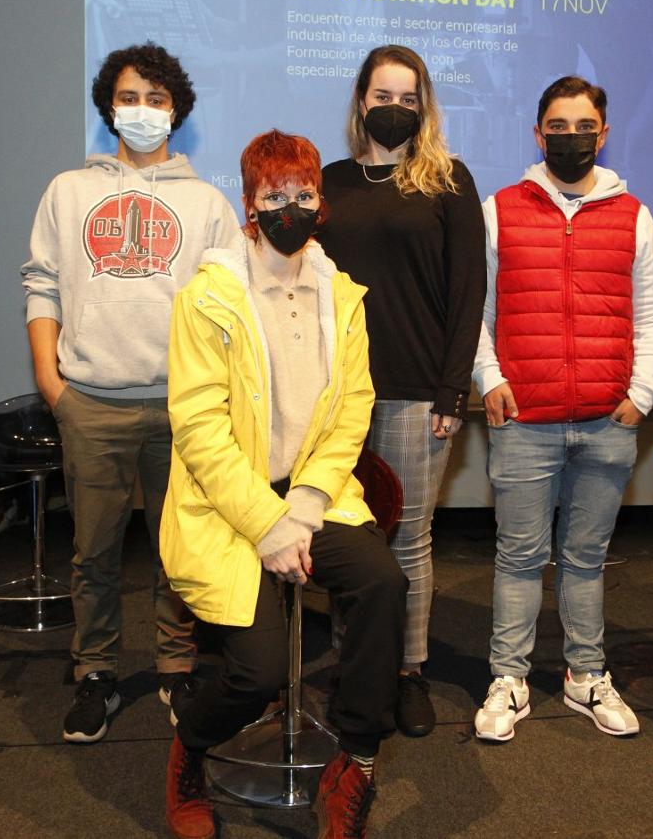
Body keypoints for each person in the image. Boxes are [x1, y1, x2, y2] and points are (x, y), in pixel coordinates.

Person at [159, 130, 406, 839]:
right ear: (250, 203)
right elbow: (200, 433)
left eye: (303, 194)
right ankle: (190, 749)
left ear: (319, 203)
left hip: (314, 498)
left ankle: (355, 760)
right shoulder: (207, 299)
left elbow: (351, 409)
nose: (289, 207)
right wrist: (267, 525)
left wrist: (304, 505)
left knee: (383, 584)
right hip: (227, 509)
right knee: (256, 674)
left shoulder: (342, 297)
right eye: (274, 195)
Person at [22, 42, 240, 743]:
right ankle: (96, 674)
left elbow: (229, 306)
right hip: (90, 401)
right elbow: (41, 284)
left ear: (176, 110)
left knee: (182, 550)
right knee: (94, 552)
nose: (140, 111)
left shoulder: (207, 203)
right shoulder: (67, 190)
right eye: (128, 97)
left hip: (184, 406)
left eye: (155, 98)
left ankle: (177, 669)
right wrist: (51, 384)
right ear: (108, 108)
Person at [469, 76, 653, 742]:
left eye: (584, 126)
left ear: (603, 134)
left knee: (586, 559)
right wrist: (489, 378)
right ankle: (509, 679)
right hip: (525, 422)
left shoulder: (633, 213)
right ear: (537, 133)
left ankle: (586, 676)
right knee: (520, 556)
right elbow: (478, 309)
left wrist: (642, 397)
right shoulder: (500, 208)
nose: (571, 136)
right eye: (558, 125)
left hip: (606, 423)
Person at [318, 44, 486, 737]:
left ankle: (408, 670)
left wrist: (454, 392)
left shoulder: (448, 181)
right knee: (346, 539)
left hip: (419, 392)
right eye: (382, 96)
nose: (394, 108)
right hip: (336, 395)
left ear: (424, 106)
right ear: (362, 101)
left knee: (408, 539)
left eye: (407, 98)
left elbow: (467, 290)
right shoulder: (327, 181)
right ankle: (354, 666)